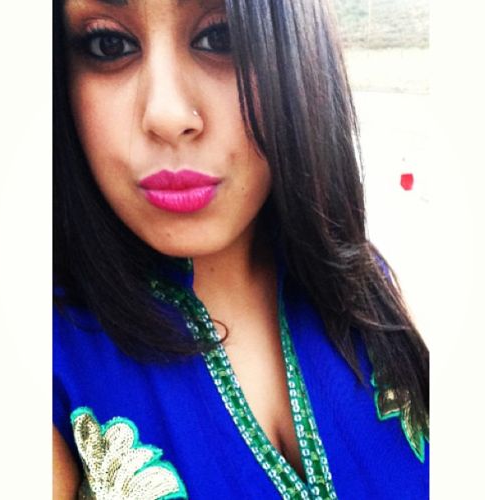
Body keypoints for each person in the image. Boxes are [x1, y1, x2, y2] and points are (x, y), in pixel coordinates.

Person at [53, 0, 429, 498]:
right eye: (109, 44)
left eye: (221, 37)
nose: (166, 114)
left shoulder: (371, 283)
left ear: (298, 52)